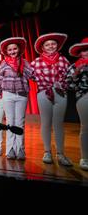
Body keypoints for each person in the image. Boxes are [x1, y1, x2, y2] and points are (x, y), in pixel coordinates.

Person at [31, 33, 72, 166]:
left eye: (53, 44)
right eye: (47, 44)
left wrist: (63, 84)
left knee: (58, 123)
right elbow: (30, 75)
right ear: (42, 47)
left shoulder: (63, 60)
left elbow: (70, 77)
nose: (50, 46)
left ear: (57, 45)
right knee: (46, 122)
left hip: (60, 93)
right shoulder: (36, 62)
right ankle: (47, 151)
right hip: (44, 93)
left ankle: (60, 153)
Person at [0, 37, 33, 160]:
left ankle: (20, 149)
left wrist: (23, 67)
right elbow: (0, 78)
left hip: (22, 95)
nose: (12, 51)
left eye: (14, 49)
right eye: (10, 49)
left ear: (19, 49)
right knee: (10, 122)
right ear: (6, 51)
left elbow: (32, 76)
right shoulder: (4, 63)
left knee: (20, 123)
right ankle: (10, 149)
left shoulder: (25, 62)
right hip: (8, 94)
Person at [66, 37, 88, 170]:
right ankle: (85, 158)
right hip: (84, 96)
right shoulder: (74, 66)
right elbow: (70, 85)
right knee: (86, 128)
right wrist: (77, 73)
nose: (87, 53)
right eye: (85, 50)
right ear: (80, 52)